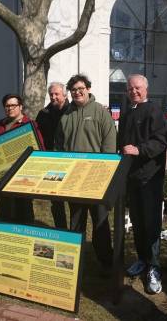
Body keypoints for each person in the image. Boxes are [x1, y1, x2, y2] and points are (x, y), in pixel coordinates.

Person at [55, 74, 115, 271]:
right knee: (76, 221)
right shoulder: (66, 115)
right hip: (73, 179)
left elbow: (109, 147)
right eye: (73, 90)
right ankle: (74, 263)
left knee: (100, 223)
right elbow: (59, 146)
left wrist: (105, 176)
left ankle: (106, 262)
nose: (77, 92)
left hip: (96, 180)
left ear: (88, 89)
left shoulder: (100, 113)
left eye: (81, 88)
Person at [117, 74, 167, 294]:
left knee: (151, 224)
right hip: (132, 178)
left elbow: (161, 141)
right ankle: (141, 259)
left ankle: (154, 267)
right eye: (130, 89)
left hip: (150, 179)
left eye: (137, 88)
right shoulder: (128, 113)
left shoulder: (155, 111)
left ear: (146, 89)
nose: (134, 92)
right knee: (137, 222)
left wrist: (140, 150)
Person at [0, 94, 44, 224]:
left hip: (22, 179)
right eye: (7, 106)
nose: (10, 108)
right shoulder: (0, 125)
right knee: (5, 214)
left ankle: (24, 240)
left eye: (13, 105)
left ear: (20, 106)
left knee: (24, 214)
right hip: (3, 178)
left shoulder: (30, 124)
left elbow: (40, 150)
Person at [36, 82, 69, 228]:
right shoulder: (43, 114)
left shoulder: (73, 111)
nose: (53, 97)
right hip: (52, 161)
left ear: (65, 94)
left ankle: (76, 233)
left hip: (70, 160)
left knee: (76, 202)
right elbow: (37, 136)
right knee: (56, 201)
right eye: (51, 94)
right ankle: (60, 229)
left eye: (57, 94)